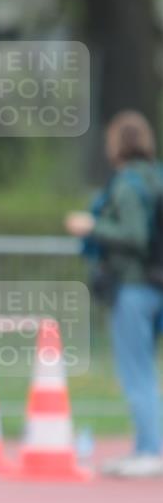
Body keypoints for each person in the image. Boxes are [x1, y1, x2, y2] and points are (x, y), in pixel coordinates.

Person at [65, 110, 163, 478]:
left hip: (135, 287)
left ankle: (150, 450)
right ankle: (146, 446)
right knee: (145, 370)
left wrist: (93, 226)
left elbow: (134, 236)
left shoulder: (127, 184)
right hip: (155, 285)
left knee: (137, 372)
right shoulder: (155, 177)